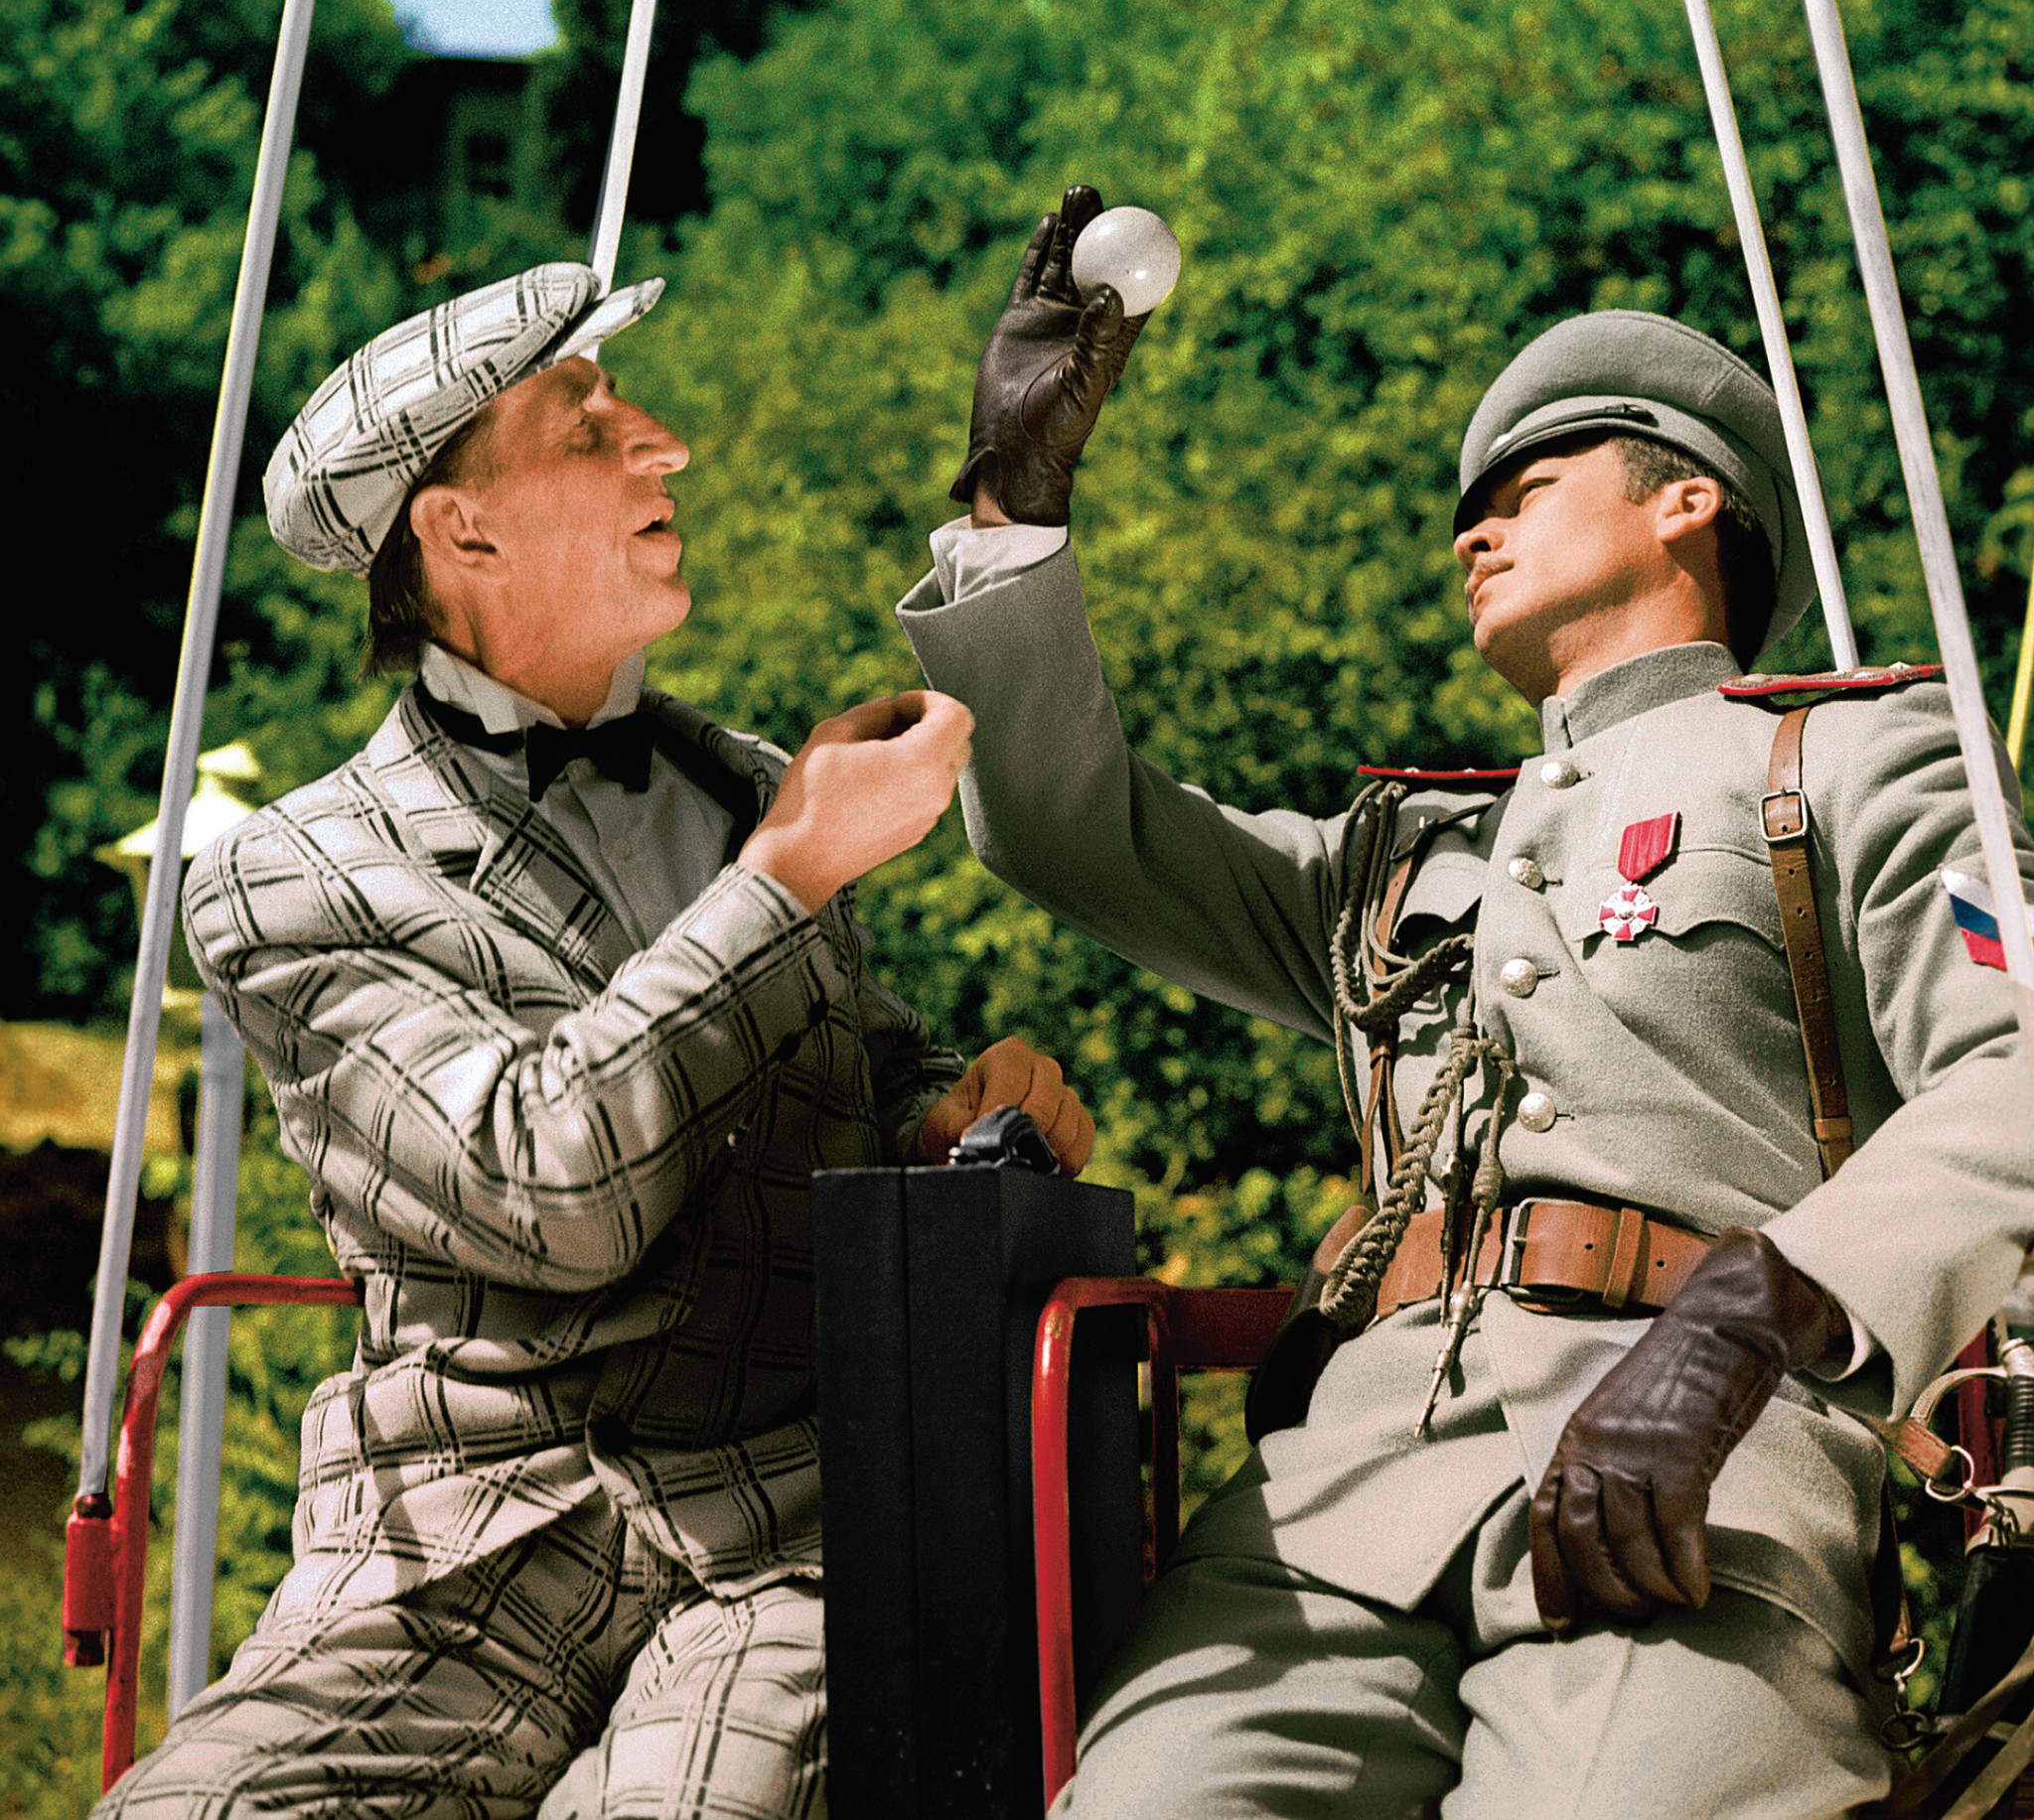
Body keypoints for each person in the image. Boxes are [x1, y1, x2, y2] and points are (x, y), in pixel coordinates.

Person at [896, 190, 2034, 1817]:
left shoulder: (1851, 758)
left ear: (1689, 500)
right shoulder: (1398, 855)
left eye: (1526, 491)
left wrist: (1747, 1321)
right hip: (1336, 1510)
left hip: (1696, 1479)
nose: (1471, 534)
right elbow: (1073, 830)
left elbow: (2018, 1070)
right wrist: (1014, 507)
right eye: (1467, 512)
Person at [100, 262, 1094, 1820]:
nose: (666, 443)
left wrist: (951, 1111)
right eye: (587, 424)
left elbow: (853, 1071)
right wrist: (786, 877)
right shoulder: (287, 876)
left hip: (780, 1539)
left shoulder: (752, 785)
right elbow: (549, 1191)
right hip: (445, 1557)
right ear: (461, 533)